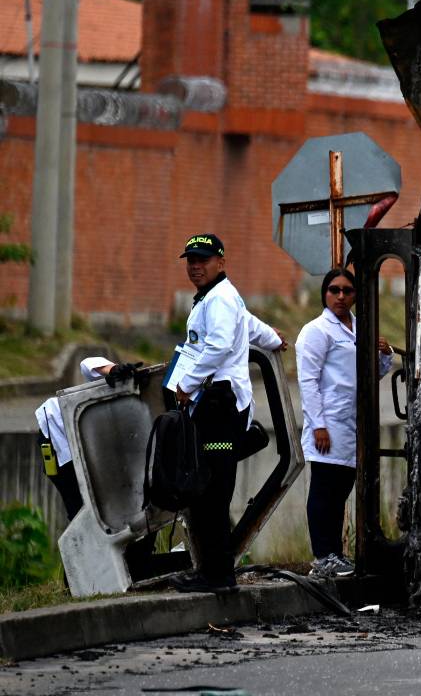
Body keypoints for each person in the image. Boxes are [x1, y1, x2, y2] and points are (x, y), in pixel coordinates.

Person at [168, 233, 285, 595]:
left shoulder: (219, 298)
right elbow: (248, 325)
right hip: (216, 404)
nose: (195, 266)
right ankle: (214, 572)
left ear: (221, 262)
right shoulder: (218, 297)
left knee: (212, 494)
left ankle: (217, 576)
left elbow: (219, 345)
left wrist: (186, 383)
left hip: (219, 405)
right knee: (209, 491)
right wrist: (274, 339)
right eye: (191, 260)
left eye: (203, 260)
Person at [295, 267, 393, 578]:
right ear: (324, 294)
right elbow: (308, 381)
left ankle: (335, 554)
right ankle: (323, 556)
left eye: (347, 291)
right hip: (328, 423)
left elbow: (371, 374)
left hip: (352, 424)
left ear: (355, 296)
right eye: (334, 290)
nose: (340, 296)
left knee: (340, 491)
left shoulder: (359, 328)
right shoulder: (316, 331)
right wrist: (318, 425)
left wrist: (385, 354)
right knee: (324, 490)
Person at [36, 356, 118, 520]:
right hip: (55, 431)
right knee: (79, 508)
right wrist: (113, 369)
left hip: (84, 444)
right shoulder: (131, 381)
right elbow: (87, 364)